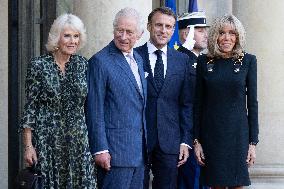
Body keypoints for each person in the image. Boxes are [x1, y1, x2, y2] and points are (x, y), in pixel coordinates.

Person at [20, 13, 96, 188]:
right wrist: (28, 146)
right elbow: (30, 108)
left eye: (76, 36)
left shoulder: (83, 64)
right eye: (67, 35)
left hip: (78, 143)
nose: (72, 41)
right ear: (56, 38)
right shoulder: (38, 65)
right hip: (48, 142)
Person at [193, 14, 259, 189]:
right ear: (215, 35)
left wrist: (253, 142)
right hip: (211, 136)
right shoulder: (204, 61)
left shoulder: (248, 61)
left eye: (232, 33)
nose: (227, 38)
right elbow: (198, 103)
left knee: (238, 184)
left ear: (238, 36)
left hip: (238, 136)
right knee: (216, 185)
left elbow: (252, 104)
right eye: (222, 33)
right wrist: (196, 140)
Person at [86, 7, 147, 189]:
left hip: (138, 153)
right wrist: (100, 149)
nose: (123, 36)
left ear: (139, 34)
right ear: (114, 30)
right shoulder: (100, 61)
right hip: (114, 154)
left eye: (129, 32)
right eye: (120, 30)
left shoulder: (138, 58)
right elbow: (93, 109)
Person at [136, 7, 195, 189]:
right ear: (148, 26)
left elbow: (186, 104)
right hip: (139, 139)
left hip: (170, 141)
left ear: (173, 30)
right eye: (159, 25)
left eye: (169, 27)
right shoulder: (134, 56)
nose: (163, 30)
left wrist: (185, 140)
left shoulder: (182, 60)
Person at [177, 11, 209, 189]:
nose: (206, 34)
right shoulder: (181, 60)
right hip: (187, 138)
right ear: (185, 33)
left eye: (206, 30)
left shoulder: (205, 61)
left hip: (205, 136)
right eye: (199, 30)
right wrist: (184, 50)